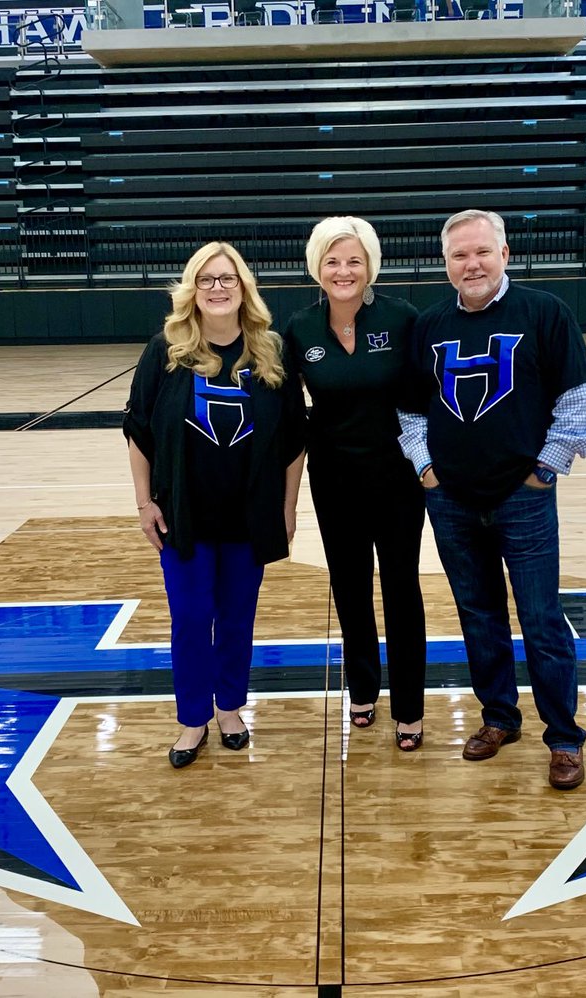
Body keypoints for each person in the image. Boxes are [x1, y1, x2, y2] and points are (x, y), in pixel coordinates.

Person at [398, 209, 586, 789]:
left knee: (541, 620)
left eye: (483, 252)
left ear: (505, 254)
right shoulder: (429, 324)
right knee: (479, 616)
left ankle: (563, 738)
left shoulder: (544, 313)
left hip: (524, 498)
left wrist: (544, 471)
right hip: (452, 501)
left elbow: (578, 402)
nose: (473, 264)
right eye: (460, 255)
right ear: (446, 264)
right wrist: (428, 472)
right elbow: (409, 411)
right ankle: (499, 718)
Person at [123, 242, 306, 769]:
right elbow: (138, 432)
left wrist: (288, 507)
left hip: (249, 517)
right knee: (190, 617)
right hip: (185, 514)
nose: (218, 288)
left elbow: (295, 439)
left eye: (228, 278)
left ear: (244, 287)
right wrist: (143, 503)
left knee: (236, 619)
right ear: (192, 291)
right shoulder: (166, 350)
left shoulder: (271, 351)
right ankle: (191, 719)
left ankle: (229, 710)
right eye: (207, 280)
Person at [283, 217, 427, 752]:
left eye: (354, 260)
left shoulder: (402, 318)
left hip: (396, 477)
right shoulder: (299, 328)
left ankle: (410, 705)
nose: (343, 271)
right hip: (334, 477)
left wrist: (430, 464)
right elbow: (286, 415)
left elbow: (423, 399)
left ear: (371, 266)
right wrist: (284, 498)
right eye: (333, 261)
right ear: (317, 267)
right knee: (348, 586)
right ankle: (362, 688)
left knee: (401, 588)